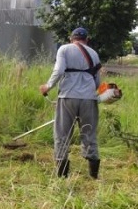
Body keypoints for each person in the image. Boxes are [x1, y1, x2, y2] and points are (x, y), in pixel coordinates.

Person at [39, 27, 102, 179]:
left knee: (62, 134)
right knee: (89, 134)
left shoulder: (64, 49)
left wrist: (47, 86)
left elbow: (59, 70)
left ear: (71, 38)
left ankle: (62, 177)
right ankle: (93, 177)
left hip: (68, 97)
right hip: (89, 98)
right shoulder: (94, 53)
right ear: (86, 39)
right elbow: (98, 82)